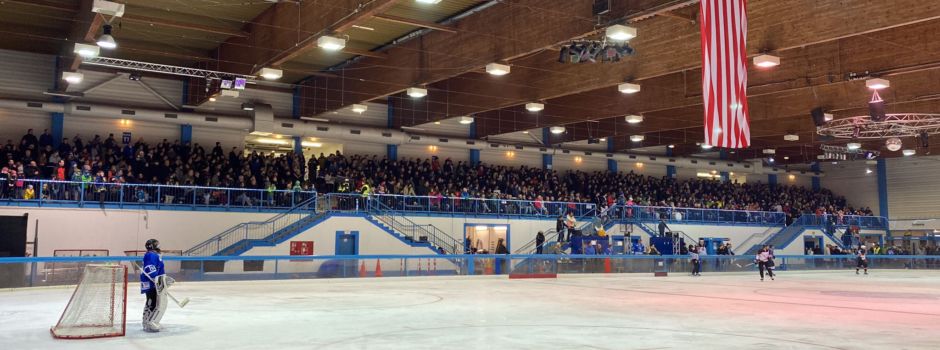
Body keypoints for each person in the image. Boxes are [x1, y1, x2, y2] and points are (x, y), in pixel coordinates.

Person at [141, 239, 169, 332]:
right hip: (151, 282)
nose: (159, 246)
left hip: (153, 281)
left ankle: (147, 321)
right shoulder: (151, 255)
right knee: (152, 301)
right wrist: (156, 278)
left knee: (151, 301)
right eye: (157, 245)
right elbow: (149, 268)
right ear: (153, 246)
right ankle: (150, 322)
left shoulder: (153, 255)